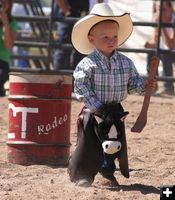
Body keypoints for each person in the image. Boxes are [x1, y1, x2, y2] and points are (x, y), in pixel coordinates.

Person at [69, 3, 157, 186]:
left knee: (113, 143)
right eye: (105, 37)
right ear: (91, 39)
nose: (111, 40)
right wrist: (97, 107)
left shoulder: (126, 63)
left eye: (114, 36)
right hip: (94, 111)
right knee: (89, 143)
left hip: (116, 111)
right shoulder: (87, 64)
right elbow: (81, 87)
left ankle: (106, 173)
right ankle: (82, 173)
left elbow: (133, 85)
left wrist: (145, 86)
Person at [53, 0, 103, 70]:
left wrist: (99, 8)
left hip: (84, 14)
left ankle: (78, 76)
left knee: (82, 47)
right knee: (64, 47)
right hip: (68, 14)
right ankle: (59, 77)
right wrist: (66, 11)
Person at [145, 0, 175, 95]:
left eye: (163, 9)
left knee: (165, 53)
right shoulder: (157, 19)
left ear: (171, 9)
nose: (160, 13)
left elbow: (171, 45)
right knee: (151, 53)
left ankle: (168, 87)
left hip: (171, 50)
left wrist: (162, 27)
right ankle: (152, 86)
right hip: (168, 50)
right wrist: (150, 45)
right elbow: (156, 42)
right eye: (158, 10)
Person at [0, 0, 17, 96]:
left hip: (2, 62)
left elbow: (8, 45)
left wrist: (5, 24)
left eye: (5, 2)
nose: (2, 5)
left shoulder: (12, 23)